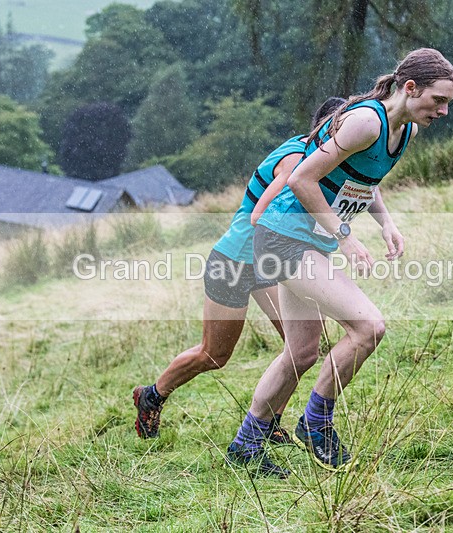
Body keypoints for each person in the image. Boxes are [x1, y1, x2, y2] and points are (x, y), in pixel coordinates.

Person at [227, 48, 453, 477]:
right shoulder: (367, 121)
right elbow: (301, 178)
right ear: (410, 89)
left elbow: (363, 180)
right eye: (438, 100)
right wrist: (345, 236)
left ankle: (246, 444)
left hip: (299, 242)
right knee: (370, 327)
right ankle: (317, 421)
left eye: (447, 103)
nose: (443, 111)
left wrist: (386, 224)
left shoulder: (401, 128)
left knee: (300, 352)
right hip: (282, 239)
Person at [132, 98, 347, 453]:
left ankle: (269, 422)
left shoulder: (318, 159)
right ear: (326, 128)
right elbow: (258, 217)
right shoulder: (296, 160)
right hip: (233, 262)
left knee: (300, 349)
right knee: (214, 355)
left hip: (267, 263)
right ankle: (151, 396)